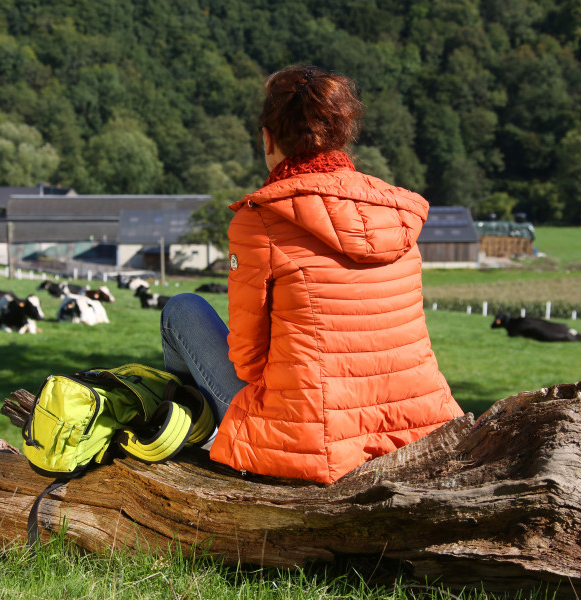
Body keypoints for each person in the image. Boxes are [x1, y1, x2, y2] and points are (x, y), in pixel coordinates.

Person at [160, 65, 463, 484]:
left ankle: (181, 431)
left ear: (267, 138)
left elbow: (248, 361)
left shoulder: (260, 220)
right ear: (341, 135)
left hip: (310, 439)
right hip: (416, 424)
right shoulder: (397, 213)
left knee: (181, 309)